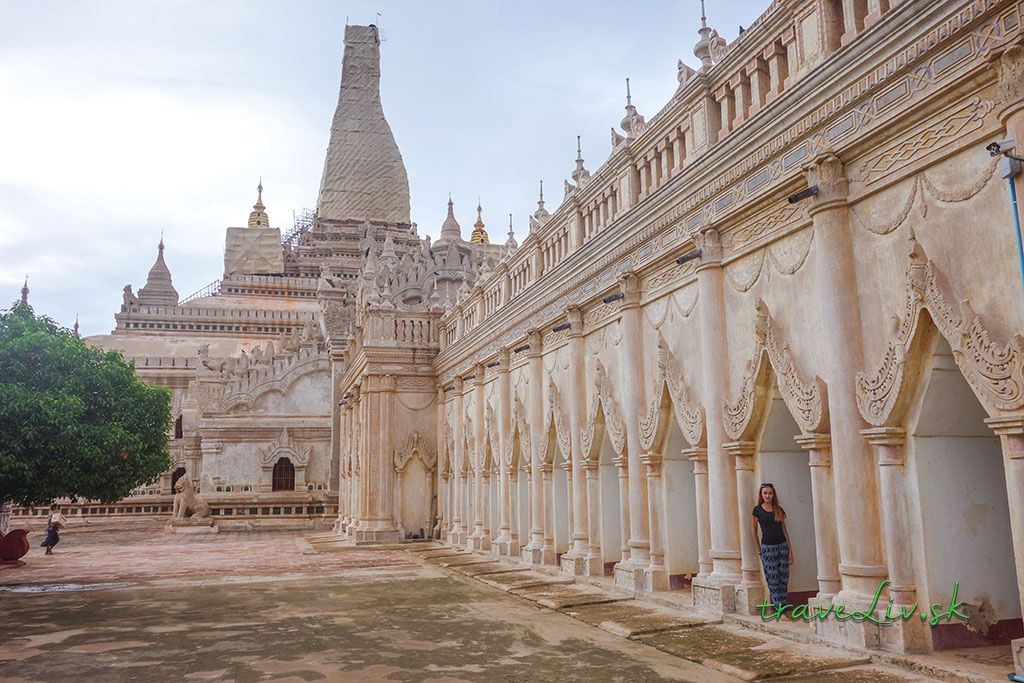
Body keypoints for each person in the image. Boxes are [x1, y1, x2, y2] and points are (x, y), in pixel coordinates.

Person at [751, 483, 794, 613]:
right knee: (773, 578)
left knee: (784, 578)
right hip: (768, 548)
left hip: (782, 546)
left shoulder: (778, 510)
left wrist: (790, 551)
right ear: (761, 494)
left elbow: (784, 531)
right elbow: (753, 531)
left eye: (770, 493)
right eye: (765, 493)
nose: (767, 496)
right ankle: (779, 609)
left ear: (773, 494)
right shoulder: (757, 510)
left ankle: (783, 606)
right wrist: (759, 551)